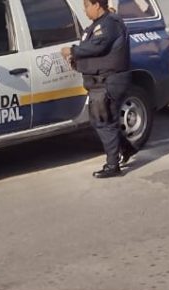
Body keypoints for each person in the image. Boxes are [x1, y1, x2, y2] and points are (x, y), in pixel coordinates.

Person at [62, 0, 136, 179]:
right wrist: (77, 61)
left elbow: (97, 45)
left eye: (87, 6)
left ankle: (113, 165)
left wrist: (72, 51)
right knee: (105, 120)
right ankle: (125, 148)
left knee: (103, 121)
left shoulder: (108, 24)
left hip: (109, 82)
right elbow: (93, 50)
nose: (85, 10)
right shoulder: (98, 25)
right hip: (101, 82)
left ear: (97, 5)